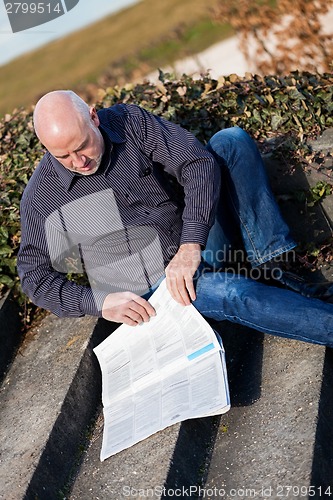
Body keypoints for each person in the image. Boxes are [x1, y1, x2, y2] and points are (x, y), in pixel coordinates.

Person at [17, 90, 333, 346]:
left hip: (193, 243)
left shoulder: (129, 121)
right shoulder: (41, 196)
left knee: (230, 142)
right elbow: (34, 276)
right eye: (62, 156)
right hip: (159, 288)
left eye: (82, 145)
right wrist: (99, 302)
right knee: (236, 294)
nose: (78, 161)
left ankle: (277, 270)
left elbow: (197, 163)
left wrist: (191, 244)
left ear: (94, 117)